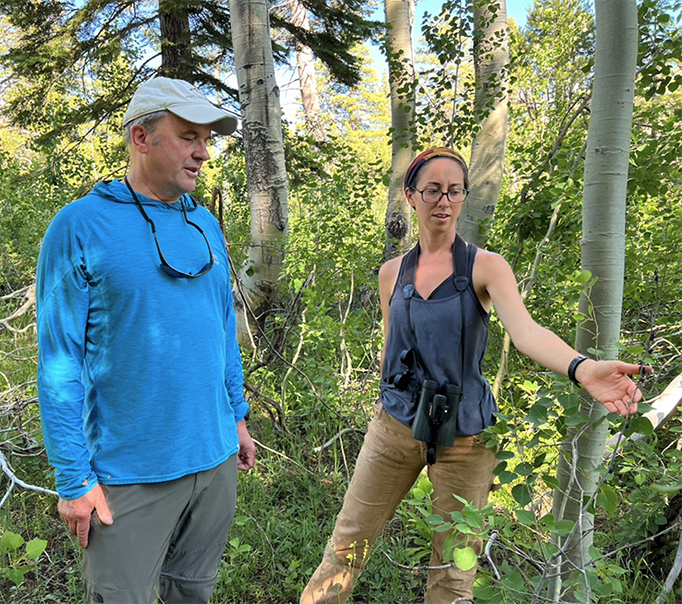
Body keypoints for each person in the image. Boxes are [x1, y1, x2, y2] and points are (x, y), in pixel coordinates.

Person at [300, 147, 648, 604]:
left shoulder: (486, 266)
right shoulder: (392, 274)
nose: (444, 201)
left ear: (463, 197)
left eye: (454, 191)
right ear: (410, 195)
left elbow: (525, 332)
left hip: (467, 436)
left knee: (454, 571)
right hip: (396, 428)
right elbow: (393, 347)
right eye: (432, 190)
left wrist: (580, 367)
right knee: (346, 546)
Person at [35, 76, 256, 604]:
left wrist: (237, 416)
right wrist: (73, 480)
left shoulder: (204, 223)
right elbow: (59, 363)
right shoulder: (80, 226)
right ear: (141, 137)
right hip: (128, 476)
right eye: (188, 136)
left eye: (207, 139)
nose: (203, 152)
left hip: (216, 459)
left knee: (192, 593)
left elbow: (222, 327)